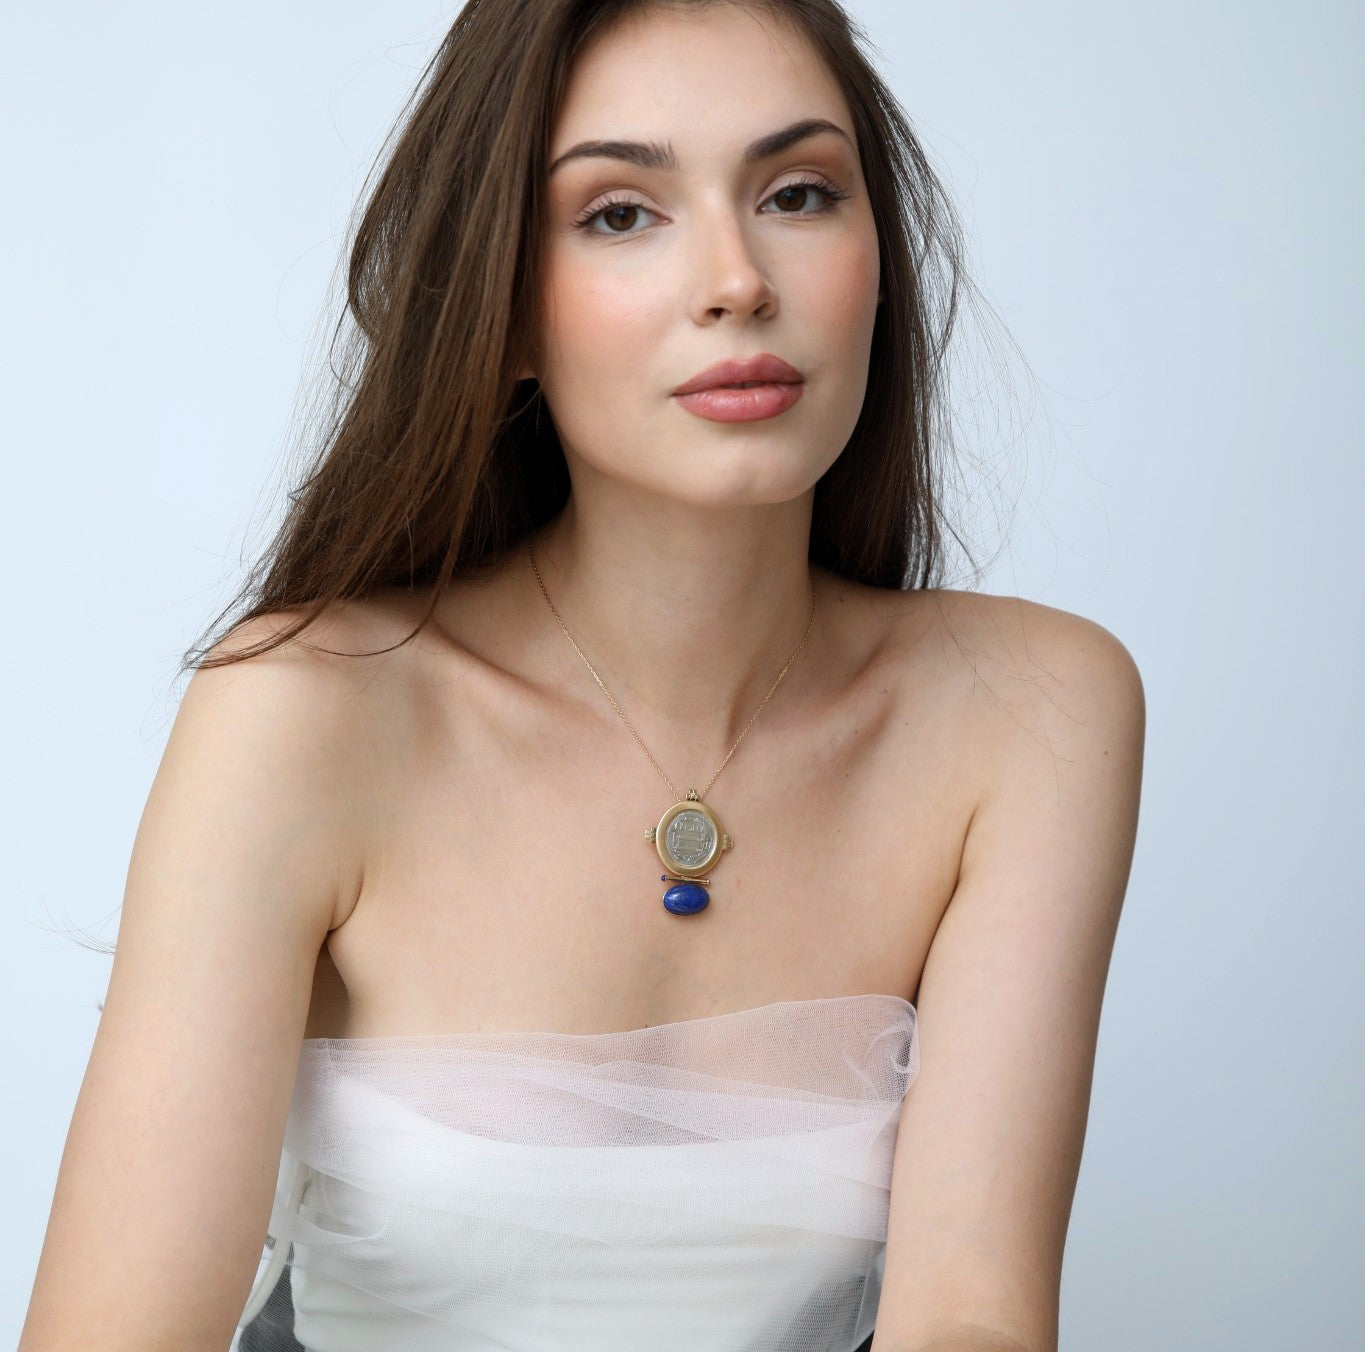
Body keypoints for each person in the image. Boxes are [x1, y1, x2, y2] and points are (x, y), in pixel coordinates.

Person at [18, 1, 1145, 1350]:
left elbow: (971, 1315)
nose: (737, 281)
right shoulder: (303, 711)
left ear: (880, 263)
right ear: (499, 310)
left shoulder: (1029, 712)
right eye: (619, 213)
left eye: (797, 193)